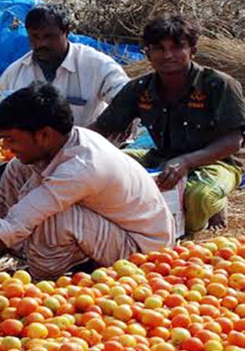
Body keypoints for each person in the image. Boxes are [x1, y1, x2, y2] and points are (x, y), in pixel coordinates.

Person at [0, 82, 174, 280]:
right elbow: (12, 222)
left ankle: (47, 276)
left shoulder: (81, 168)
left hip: (142, 250)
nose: (6, 146)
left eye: (12, 139)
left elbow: (15, 224)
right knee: (15, 168)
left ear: (43, 134)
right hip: (112, 225)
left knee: (56, 219)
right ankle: (23, 249)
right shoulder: (65, 140)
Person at [91, 14, 245, 233]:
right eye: (159, 48)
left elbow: (233, 141)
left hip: (218, 161)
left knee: (198, 197)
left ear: (193, 51)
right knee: (106, 168)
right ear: (148, 53)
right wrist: (64, 143)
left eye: (176, 47)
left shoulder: (219, 85)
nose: (168, 55)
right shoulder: (140, 88)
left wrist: (186, 161)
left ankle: (215, 206)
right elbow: (102, 128)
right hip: (162, 156)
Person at [0, 3, 129, 127]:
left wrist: (95, 134)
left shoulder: (96, 64)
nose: (41, 44)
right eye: (35, 37)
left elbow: (126, 99)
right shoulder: (15, 74)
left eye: (49, 36)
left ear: (66, 32)